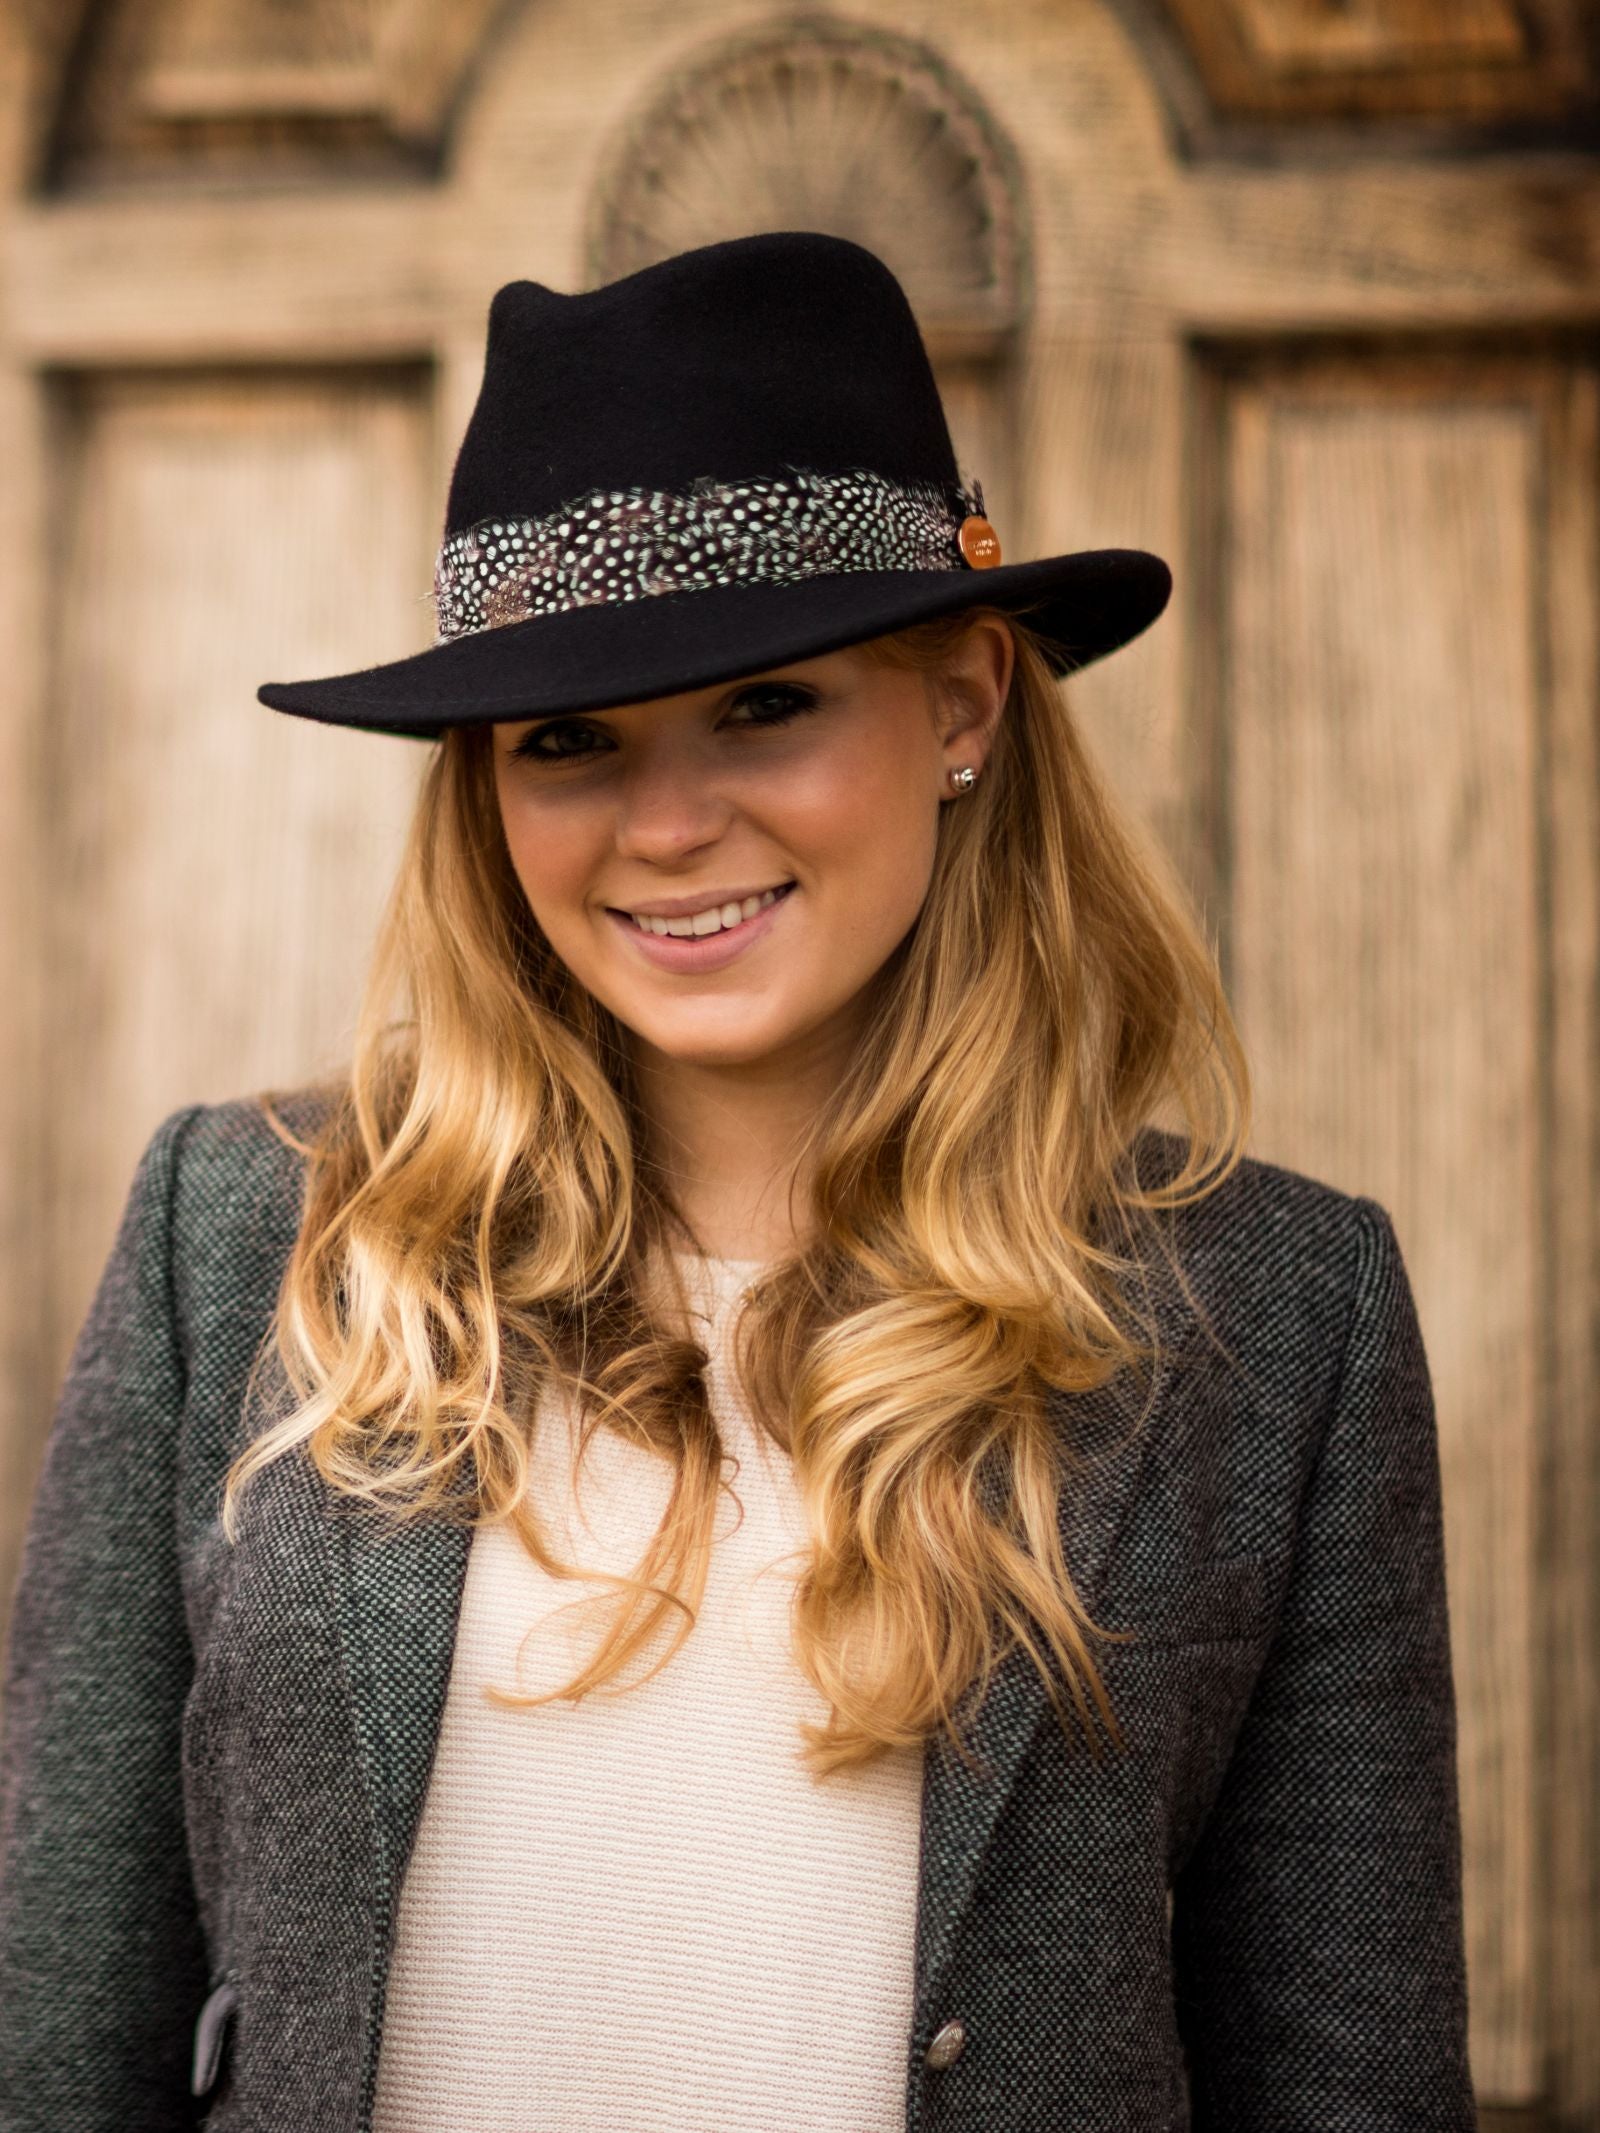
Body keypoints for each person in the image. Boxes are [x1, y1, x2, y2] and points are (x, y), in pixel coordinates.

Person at [0, 231, 1474, 2132]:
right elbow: (59, 2023)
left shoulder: (1275, 1315)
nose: (669, 824)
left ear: (965, 703)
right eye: (569, 740)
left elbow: (1350, 2071)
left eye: (765, 704)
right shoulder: (244, 1240)